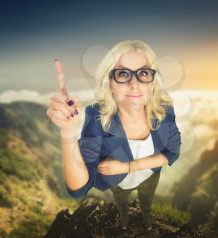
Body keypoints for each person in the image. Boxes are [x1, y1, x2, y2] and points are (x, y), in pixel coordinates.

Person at [46, 40, 182, 232]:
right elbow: (79, 190)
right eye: (123, 74)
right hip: (118, 182)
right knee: (122, 205)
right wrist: (68, 132)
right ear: (109, 83)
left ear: (152, 82)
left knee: (146, 203)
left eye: (143, 73)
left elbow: (173, 153)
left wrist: (128, 166)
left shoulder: (165, 112)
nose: (134, 84)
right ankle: (124, 224)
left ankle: (147, 223)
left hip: (151, 174)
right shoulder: (96, 117)